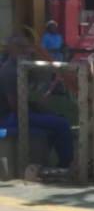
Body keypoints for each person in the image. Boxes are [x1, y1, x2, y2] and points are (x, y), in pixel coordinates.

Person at [0, 35, 74, 175]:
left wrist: (40, 108)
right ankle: (66, 166)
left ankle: (46, 164)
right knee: (61, 124)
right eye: (23, 48)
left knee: (55, 119)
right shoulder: (9, 71)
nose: (28, 51)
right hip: (7, 117)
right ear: (12, 50)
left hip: (16, 112)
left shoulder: (20, 68)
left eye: (28, 47)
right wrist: (37, 106)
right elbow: (15, 107)